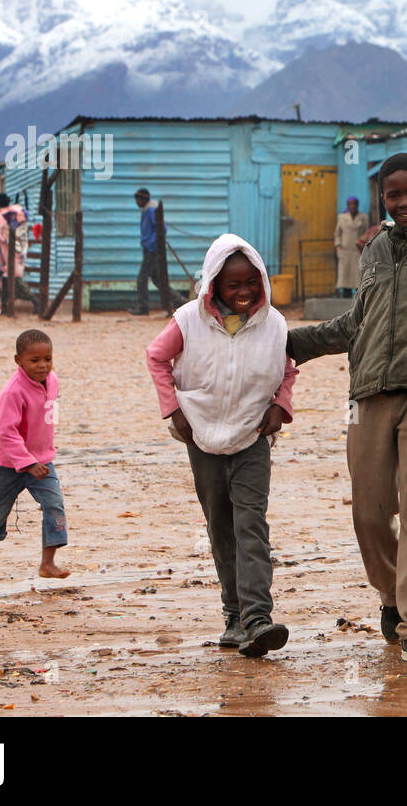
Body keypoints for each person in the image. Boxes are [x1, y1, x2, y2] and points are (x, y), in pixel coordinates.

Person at [287, 153, 407, 666]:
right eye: (394, 195)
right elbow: (354, 324)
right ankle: (392, 593)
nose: (405, 201)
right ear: (383, 200)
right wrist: (283, 342)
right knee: (369, 513)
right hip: (367, 392)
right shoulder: (372, 251)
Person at [145, 234, 296, 657]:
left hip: (253, 437)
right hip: (201, 435)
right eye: (233, 285)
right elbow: (156, 357)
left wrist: (281, 407)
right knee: (220, 524)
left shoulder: (275, 323)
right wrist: (172, 408)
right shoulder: (187, 320)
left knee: (251, 525)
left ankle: (258, 618)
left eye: (252, 282)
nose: (244, 291)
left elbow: (287, 368)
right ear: (213, 285)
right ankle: (233, 616)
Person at [0, 328, 70, 587]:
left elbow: (49, 414)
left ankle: (47, 563)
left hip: (42, 462)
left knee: (54, 505)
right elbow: (5, 432)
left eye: (47, 359)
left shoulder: (53, 381)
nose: (42, 365)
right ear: (18, 361)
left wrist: (45, 449)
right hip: (8, 465)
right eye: (34, 361)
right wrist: (26, 462)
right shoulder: (12, 392)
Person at [132, 188, 172, 316]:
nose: (136, 202)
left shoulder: (151, 210)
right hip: (149, 249)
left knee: (142, 279)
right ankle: (180, 302)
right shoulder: (146, 210)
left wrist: (151, 244)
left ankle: (143, 307)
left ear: (144, 200)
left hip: (152, 251)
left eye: (138, 199)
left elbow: (162, 229)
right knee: (158, 281)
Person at [334, 196, 368, 298]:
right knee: (345, 274)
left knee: (358, 274)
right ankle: (345, 295)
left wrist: (364, 245)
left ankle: (358, 299)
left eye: (354, 204)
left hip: (358, 250)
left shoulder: (364, 217)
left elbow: (366, 232)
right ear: (347, 206)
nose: (352, 206)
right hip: (345, 250)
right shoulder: (342, 217)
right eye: (350, 204)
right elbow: (337, 233)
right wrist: (338, 245)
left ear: (357, 205)